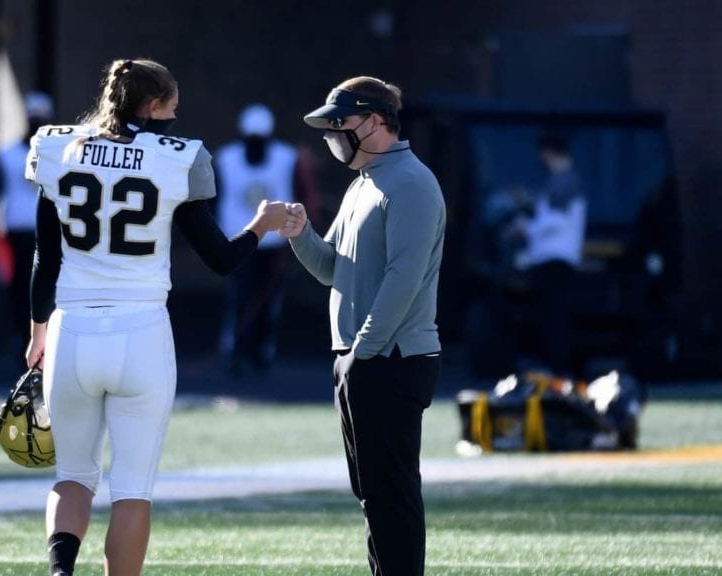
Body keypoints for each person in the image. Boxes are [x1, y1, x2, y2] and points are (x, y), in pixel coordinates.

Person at [23, 58, 289, 576]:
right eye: (172, 107)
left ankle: (60, 571)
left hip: (71, 330)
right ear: (152, 106)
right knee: (132, 490)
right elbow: (221, 260)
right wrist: (262, 225)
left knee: (73, 476)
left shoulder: (59, 148)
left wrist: (38, 333)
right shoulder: (176, 159)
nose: (176, 117)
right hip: (141, 331)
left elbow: (44, 261)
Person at [281, 76, 445, 576]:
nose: (333, 134)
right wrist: (299, 232)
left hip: (390, 359)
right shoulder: (364, 182)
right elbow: (333, 267)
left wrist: (365, 349)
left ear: (376, 121)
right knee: (373, 495)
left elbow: (404, 277)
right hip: (362, 356)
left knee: (391, 494)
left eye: (341, 123)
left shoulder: (412, 182)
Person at [214, 103, 319, 374]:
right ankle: (242, 351)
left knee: (262, 297)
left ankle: (256, 351)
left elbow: (305, 192)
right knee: (244, 296)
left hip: (267, 241)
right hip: (245, 240)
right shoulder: (284, 156)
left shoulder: (285, 157)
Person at [0, 92, 56, 365]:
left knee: (44, 283)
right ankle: (22, 334)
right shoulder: (7, 154)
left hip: (45, 227)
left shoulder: (60, 153)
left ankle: (41, 336)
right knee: (21, 284)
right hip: (20, 227)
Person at [509, 133, 587, 377]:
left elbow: (556, 220)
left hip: (555, 258)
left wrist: (527, 228)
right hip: (552, 258)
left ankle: (559, 370)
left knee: (554, 318)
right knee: (551, 317)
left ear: (548, 153)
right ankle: (556, 369)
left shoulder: (565, 180)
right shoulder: (561, 181)